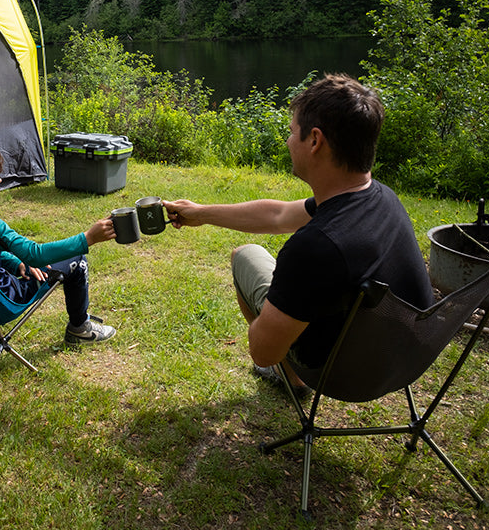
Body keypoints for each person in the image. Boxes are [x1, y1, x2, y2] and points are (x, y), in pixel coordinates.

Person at [163, 74, 432, 394]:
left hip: (337, 374)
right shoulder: (381, 198)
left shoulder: (313, 249)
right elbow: (278, 215)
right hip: (402, 361)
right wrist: (202, 213)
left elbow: (263, 351)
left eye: (292, 133)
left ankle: (293, 377)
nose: (289, 141)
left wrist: (278, 302)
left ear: (315, 141)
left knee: (243, 256)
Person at [0, 142, 118, 345]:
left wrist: (18, 263)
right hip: (0, 305)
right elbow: (35, 254)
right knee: (77, 260)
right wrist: (88, 238)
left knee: (24, 259)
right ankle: (80, 328)